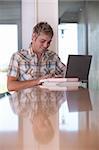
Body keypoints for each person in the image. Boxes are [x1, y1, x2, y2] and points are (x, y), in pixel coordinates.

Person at [7, 22, 66, 91]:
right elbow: (10, 86)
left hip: (49, 101)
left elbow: (67, 75)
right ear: (33, 37)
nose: (46, 45)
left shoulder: (53, 57)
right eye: (42, 41)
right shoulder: (18, 57)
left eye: (49, 42)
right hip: (26, 102)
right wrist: (38, 81)